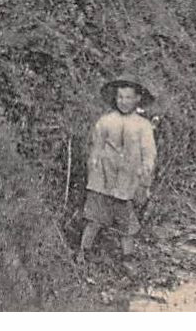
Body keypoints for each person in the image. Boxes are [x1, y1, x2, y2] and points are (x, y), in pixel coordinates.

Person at [78, 77, 157, 260]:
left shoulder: (143, 125)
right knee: (94, 219)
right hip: (102, 179)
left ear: (137, 99)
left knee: (126, 224)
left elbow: (148, 153)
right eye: (120, 97)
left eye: (128, 97)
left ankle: (127, 257)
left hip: (127, 182)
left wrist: (145, 179)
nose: (123, 101)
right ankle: (83, 253)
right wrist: (94, 165)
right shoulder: (106, 121)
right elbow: (96, 147)